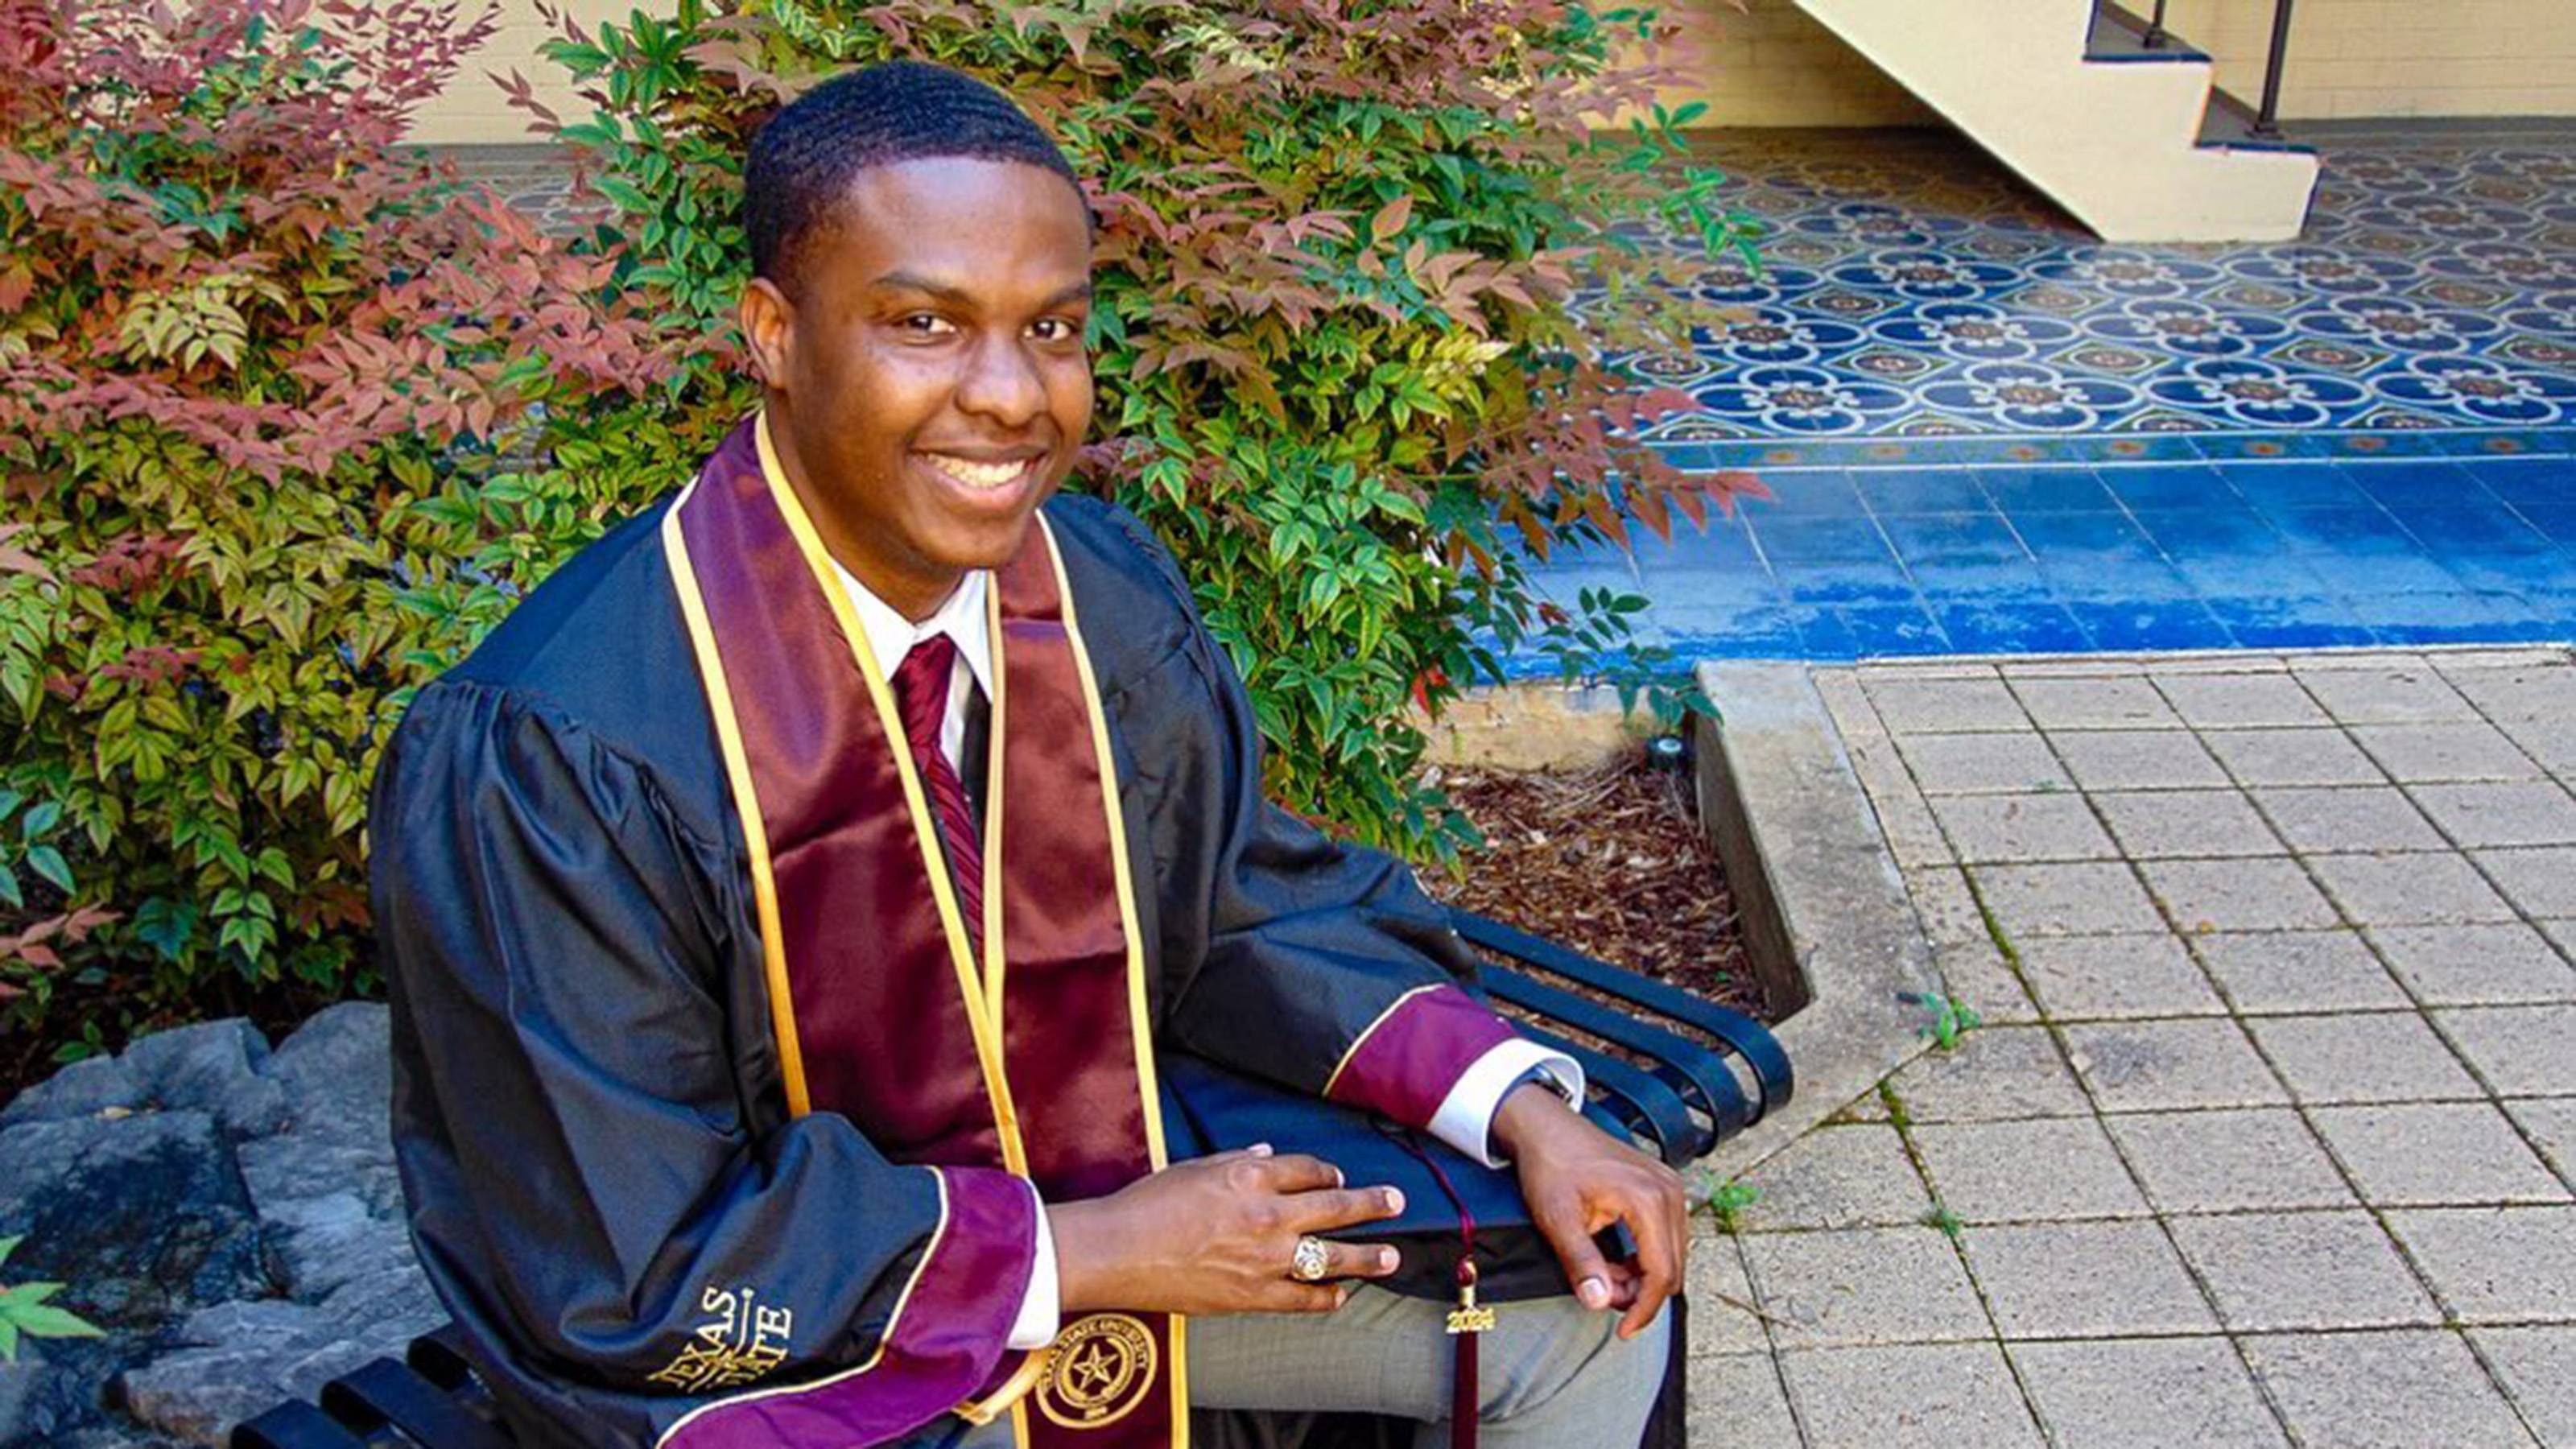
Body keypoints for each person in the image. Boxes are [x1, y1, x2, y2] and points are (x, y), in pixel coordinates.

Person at [369, 59, 1688, 1449]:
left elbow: (1241, 897)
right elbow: (623, 1259)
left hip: (1111, 1196)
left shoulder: (1094, 589)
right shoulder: (553, 749)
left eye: (1052, 329)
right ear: (772, 331)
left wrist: (1525, 1106)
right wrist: (1090, 1255)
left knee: (1588, 1311)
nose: (1009, 397)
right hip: (788, 1351)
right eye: (925, 323)